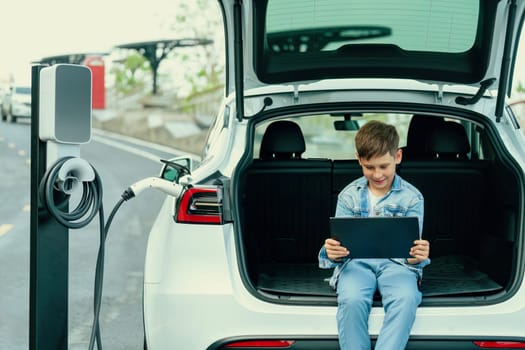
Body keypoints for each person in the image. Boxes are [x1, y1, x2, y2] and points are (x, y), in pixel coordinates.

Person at [318, 120, 430, 350]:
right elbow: (340, 249)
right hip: (356, 263)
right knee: (351, 299)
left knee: (406, 298)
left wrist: (417, 256)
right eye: (369, 167)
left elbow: (411, 250)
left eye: (383, 166)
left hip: (398, 265)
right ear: (359, 159)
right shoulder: (348, 196)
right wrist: (333, 253)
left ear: (397, 157)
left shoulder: (413, 197)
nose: (377, 174)